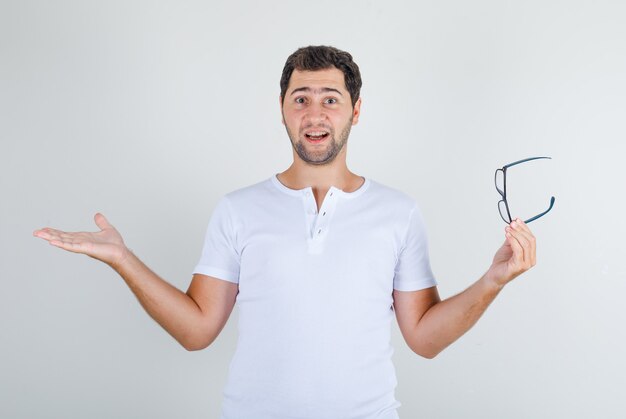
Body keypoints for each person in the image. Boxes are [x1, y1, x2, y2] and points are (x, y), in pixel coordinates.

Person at [33, 45, 537, 419]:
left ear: (355, 112)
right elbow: (197, 330)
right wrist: (124, 259)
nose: (314, 113)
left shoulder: (398, 213)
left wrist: (492, 280)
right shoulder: (238, 210)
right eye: (300, 99)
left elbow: (424, 338)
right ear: (282, 109)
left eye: (330, 99)